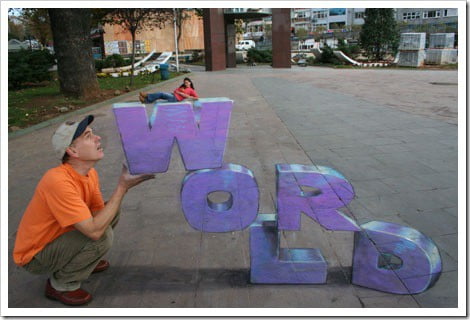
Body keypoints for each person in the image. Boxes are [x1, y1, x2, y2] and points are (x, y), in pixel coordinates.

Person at [12, 115, 155, 306]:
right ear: (72, 150)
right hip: (35, 255)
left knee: (111, 211)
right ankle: (61, 284)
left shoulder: (89, 173)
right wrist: (122, 188)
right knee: (101, 237)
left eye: (93, 134)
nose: (98, 138)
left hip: (60, 237)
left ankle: (83, 261)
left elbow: (98, 212)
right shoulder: (58, 181)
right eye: (88, 136)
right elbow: (95, 231)